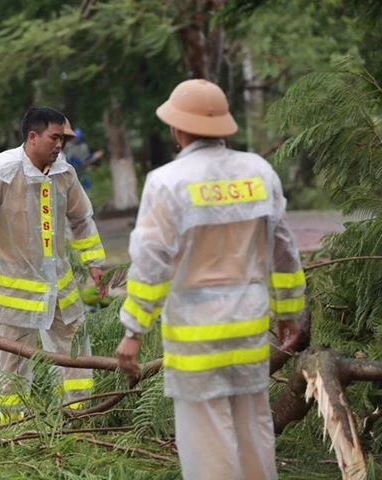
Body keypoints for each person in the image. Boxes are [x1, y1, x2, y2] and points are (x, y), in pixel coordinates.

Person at [115, 79, 306, 480]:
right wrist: (291, 313)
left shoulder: (168, 181)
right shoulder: (259, 172)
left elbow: (151, 262)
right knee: (253, 429)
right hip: (249, 328)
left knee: (206, 441)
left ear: (178, 129)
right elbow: (284, 250)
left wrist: (133, 330)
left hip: (195, 337)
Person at [0, 106, 108, 423]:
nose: (59, 145)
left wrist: (94, 261)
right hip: (15, 290)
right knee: (11, 363)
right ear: (33, 136)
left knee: (75, 355)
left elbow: (81, 220)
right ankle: (14, 428)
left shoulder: (64, 174)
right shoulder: (0, 173)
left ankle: (78, 419)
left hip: (60, 286)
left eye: (63, 140)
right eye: (55, 138)